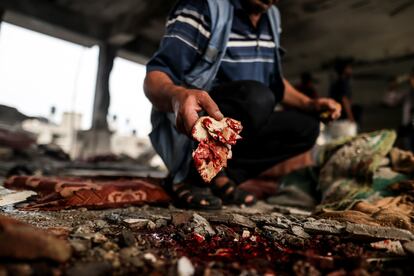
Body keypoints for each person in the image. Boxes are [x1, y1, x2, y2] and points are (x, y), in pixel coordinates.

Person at [144, 0, 341, 210]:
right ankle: (189, 176)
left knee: (307, 126)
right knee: (257, 99)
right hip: (198, 123)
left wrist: (310, 104)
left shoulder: (271, 17)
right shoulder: (203, 7)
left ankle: (220, 176)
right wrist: (177, 97)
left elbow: (275, 83)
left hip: (246, 115)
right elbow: (155, 78)